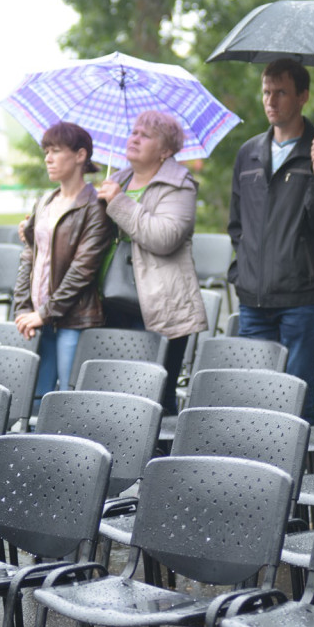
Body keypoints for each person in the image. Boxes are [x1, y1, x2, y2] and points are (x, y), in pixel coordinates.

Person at [228, 58, 314, 424]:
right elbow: (236, 225)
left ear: (303, 96)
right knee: (253, 399)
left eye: (281, 92)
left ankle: (299, 461)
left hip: (303, 297)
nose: (271, 100)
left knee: (297, 403)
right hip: (254, 298)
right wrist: (244, 270)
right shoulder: (248, 153)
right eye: (266, 91)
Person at [97, 109, 207, 414]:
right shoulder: (117, 179)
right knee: (115, 394)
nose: (134, 138)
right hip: (111, 300)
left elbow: (164, 237)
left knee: (153, 399)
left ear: (165, 151)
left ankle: (159, 446)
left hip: (160, 305)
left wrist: (118, 202)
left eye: (145, 135)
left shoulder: (179, 185)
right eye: (133, 132)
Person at [14, 121, 112, 405]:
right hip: (38, 318)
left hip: (73, 319)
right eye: (46, 151)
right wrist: (23, 308)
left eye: (56, 151)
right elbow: (29, 255)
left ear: (80, 155)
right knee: (34, 402)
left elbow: (83, 270)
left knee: (68, 402)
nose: (48, 158)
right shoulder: (45, 200)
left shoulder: (95, 206)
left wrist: (45, 313)